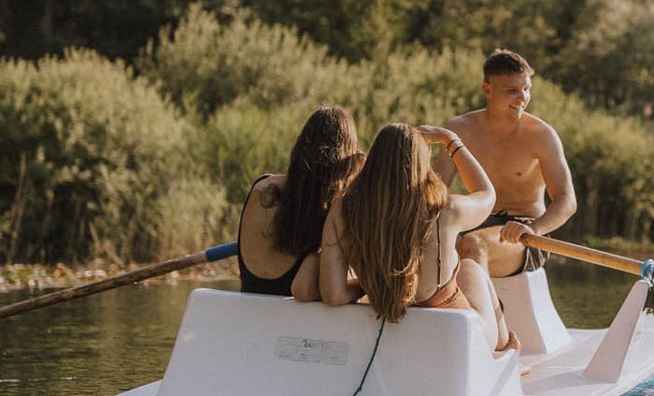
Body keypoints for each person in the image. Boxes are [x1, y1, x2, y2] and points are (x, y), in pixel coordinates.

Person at [320, 123, 516, 354]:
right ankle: (505, 354)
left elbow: (333, 295)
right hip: (460, 340)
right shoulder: (446, 211)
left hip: (391, 333)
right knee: (471, 267)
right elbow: (487, 195)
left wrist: (377, 285)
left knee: (466, 268)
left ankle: (506, 355)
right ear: (420, 165)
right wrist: (452, 141)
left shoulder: (342, 209)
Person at [436, 49, 575, 278]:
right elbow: (435, 190)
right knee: (426, 240)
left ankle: (488, 313)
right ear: (487, 89)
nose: (523, 98)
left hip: (526, 230)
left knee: (473, 246)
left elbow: (567, 201)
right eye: (512, 91)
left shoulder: (542, 135)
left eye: (526, 89)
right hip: (475, 219)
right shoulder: (459, 130)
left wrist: (534, 228)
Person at [237, 106, 364, 301]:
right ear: (344, 162)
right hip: (292, 321)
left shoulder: (261, 187)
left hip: (245, 309)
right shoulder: (332, 210)